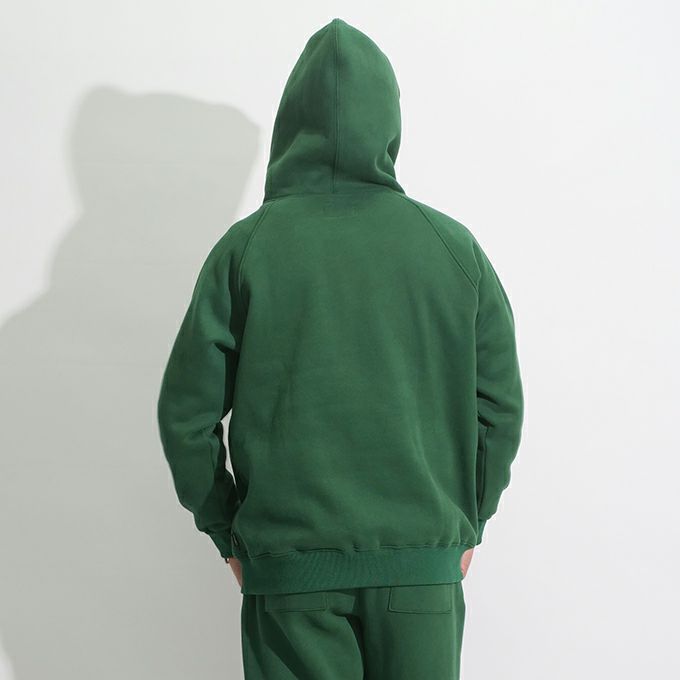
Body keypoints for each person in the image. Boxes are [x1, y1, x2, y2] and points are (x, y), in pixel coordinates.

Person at [157, 17, 524, 680]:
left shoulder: (246, 250)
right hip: (421, 576)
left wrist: (228, 532)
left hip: (290, 579)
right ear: (389, 122)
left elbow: (185, 416)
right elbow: (499, 410)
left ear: (291, 122)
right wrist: (466, 523)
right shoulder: (452, 249)